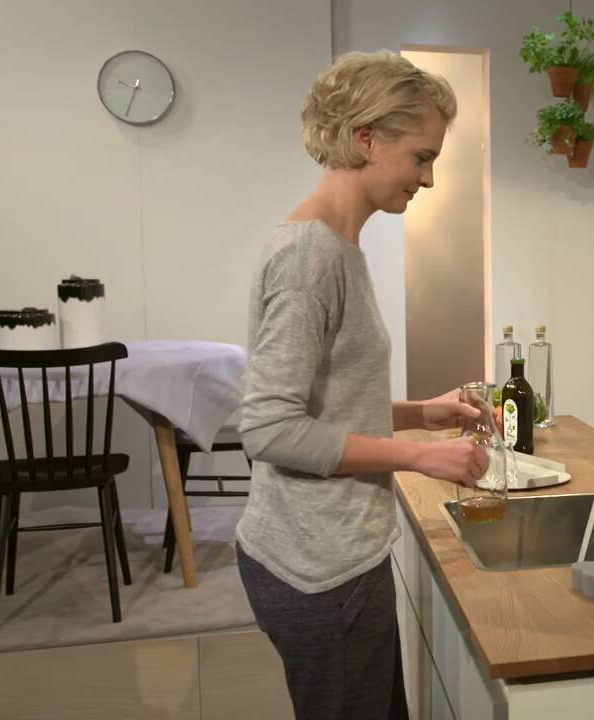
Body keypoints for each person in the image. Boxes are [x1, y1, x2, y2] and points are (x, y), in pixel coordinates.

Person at [234, 50, 487, 720]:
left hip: (336, 555)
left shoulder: (338, 249)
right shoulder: (309, 258)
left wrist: (419, 413)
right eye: (421, 157)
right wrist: (417, 458)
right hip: (318, 568)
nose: (428, 178)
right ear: (366, 138)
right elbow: (268, 429)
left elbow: (326, 402)